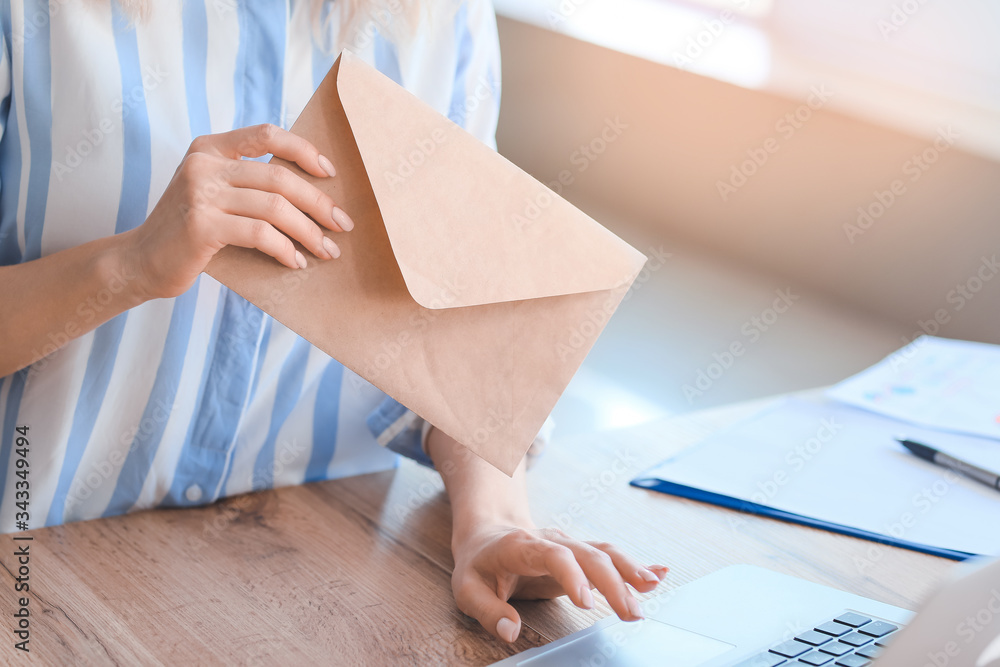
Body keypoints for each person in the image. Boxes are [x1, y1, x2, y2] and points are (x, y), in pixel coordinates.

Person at [0, 0, 666, 644]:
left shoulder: (440, 14)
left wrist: (491, 517)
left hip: (315, 589)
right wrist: (128, 265)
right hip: (33, 575)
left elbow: (458, 318)